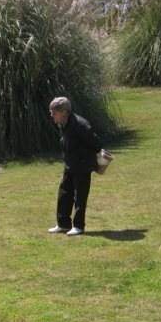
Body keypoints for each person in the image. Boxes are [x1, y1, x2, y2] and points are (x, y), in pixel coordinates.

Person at [47, 96, 106, 236]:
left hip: (82, 165)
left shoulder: (79, 124)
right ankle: (63, 224)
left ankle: (79, 226)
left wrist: (97, 155)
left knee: (80, 196)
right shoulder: (63, 123)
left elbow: (95, 141)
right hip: (70, 164)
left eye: (54, 113)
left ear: (64, 112)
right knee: (64, 194)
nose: (52, 116)